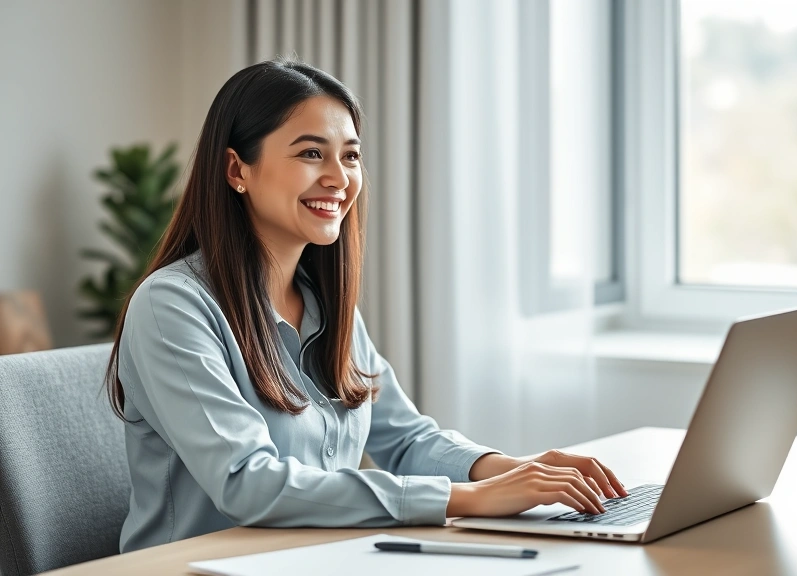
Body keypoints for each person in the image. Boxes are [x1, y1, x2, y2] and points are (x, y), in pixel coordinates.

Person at [107, 58, 628, 554]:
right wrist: (465, 500)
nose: (338, 177)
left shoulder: (324, 306)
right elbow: (246, 482)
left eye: (351, 155)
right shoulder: (172, 306)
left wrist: (511, 471)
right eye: (311, 153)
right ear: (236, 168)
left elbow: (405, 440)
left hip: (318, 557)